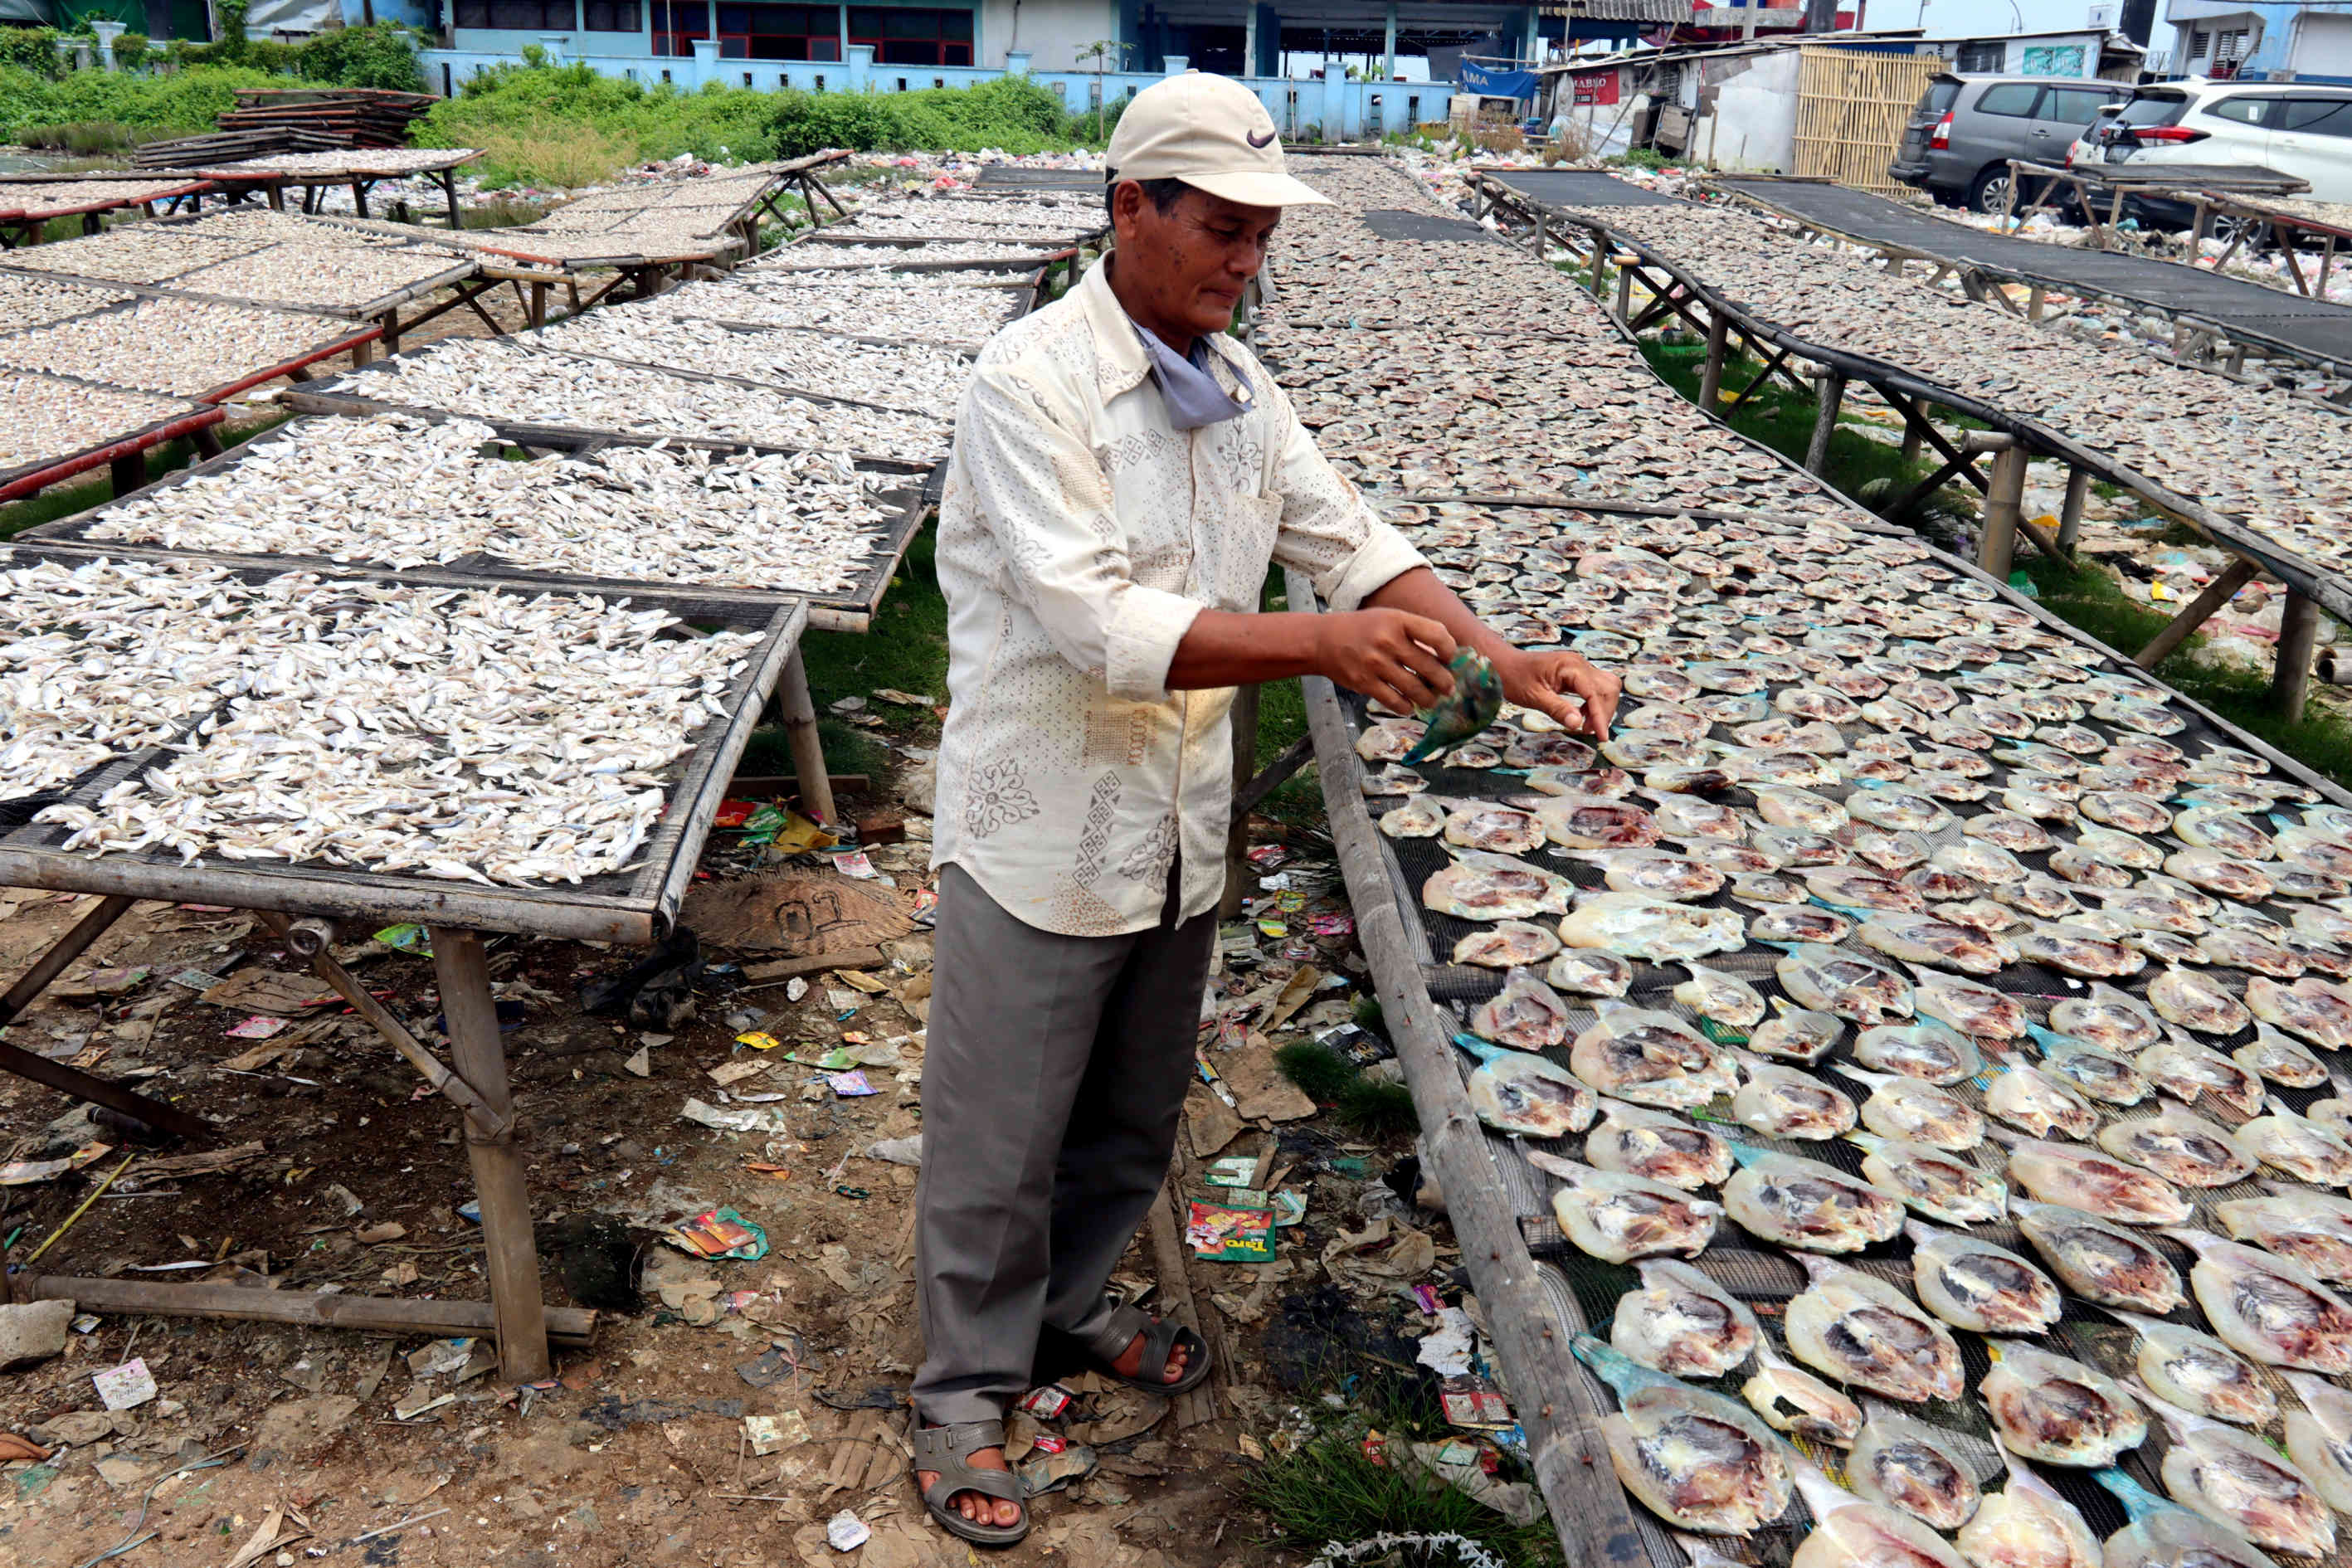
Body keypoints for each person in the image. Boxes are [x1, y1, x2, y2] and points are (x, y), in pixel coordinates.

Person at [910, 70, 1619, 1546]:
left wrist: (1506, 655)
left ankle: (1071, 1305)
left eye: (1260, 234)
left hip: (1176, 827)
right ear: (1131, 209)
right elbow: (1100, 623)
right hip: (1045, 827)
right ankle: (962, 1395)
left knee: (1129, 1110)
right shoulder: (1027, 382)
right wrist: (1318, 647)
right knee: (1000, 1139)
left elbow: (1353, 541)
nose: (1245, 258)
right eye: (1220, 228)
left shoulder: (1239, 391)